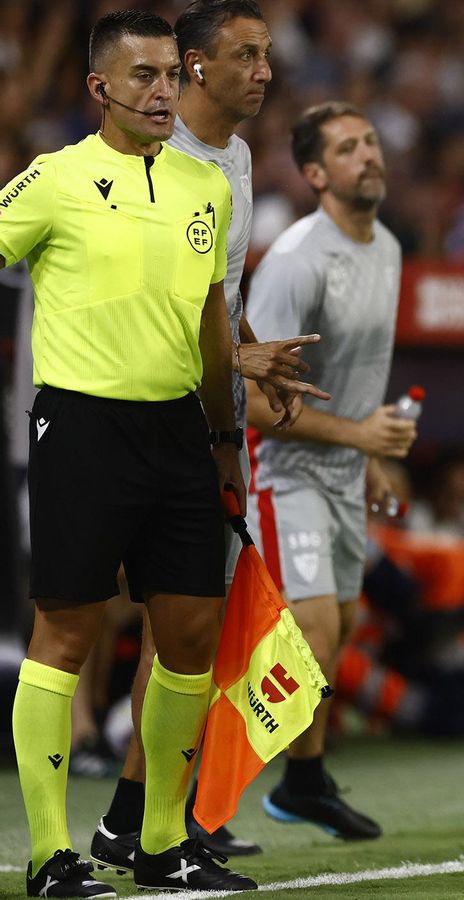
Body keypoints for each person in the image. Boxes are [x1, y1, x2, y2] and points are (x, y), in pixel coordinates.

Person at [2, 9, 280, 895]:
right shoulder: (51, 179)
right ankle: (51, 855)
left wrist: (223, 441)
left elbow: (212, 329)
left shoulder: (209, 190)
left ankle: (162, 844)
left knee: (189, 636)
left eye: (170, 75)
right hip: (81, 426)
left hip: (177, 434)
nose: (164, 92)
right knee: (68, 630)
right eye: (144, 78)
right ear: (100, 89)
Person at [90, 0, 326, 870]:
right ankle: (141, 818)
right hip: (133, 413)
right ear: (194, 65)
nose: (266, 70)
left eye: (267, 55)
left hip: (204, 417)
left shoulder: (236, 156)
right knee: (130, 624)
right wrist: (233, 367)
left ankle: (146, 814)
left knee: (187, 629)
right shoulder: (152, 154)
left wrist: (250, 363)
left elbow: (216, 307)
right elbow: (151, 304)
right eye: (247, 55)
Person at [245, 101, 409, 841]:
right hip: (285, 472)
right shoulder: (295, 260)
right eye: (347, 149)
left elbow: (361, 373)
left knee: (336, 629)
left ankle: (304, 781)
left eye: (370, 142)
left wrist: (366, 454)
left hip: (343, 471)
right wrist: (357, 436)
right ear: (314, 174)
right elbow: (250, 399)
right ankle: (198, 797)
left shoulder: (391, 249)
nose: (368, 156)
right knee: (308, 633)